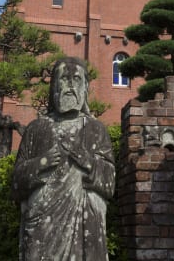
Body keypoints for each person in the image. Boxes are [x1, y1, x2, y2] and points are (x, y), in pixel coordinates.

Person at [12, 57, 115, 261]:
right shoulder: (36, 128)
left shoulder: (95, 130)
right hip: (42, 224)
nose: (70, 86)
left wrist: (89, 162)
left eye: (76, 79)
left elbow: (110, 182)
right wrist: (42, 163)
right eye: (64, 79)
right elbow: (16, 184)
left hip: (83, 225)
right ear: (53, 88)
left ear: (85, 87)